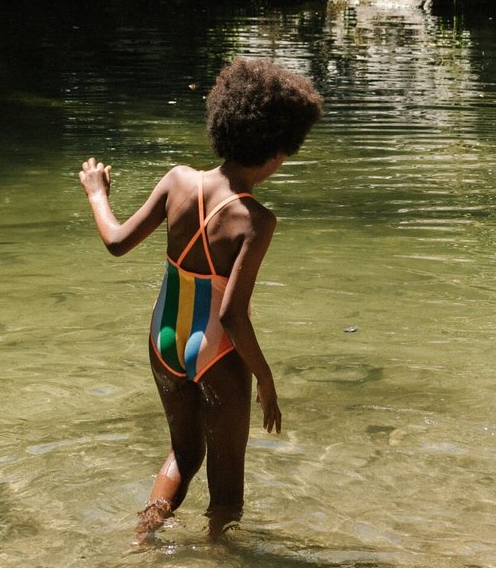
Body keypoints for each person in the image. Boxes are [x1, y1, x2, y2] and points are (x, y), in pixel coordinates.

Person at [80, 57, 322, 537]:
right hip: (215, 352)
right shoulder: (256, 220)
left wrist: (96, 193)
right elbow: (232, 315)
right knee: (227, 491)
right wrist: (266, 379)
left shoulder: (177, 182)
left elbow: (116, 243)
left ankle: (143, 536)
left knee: (184, 455)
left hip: (163, 339)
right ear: (277, 151)